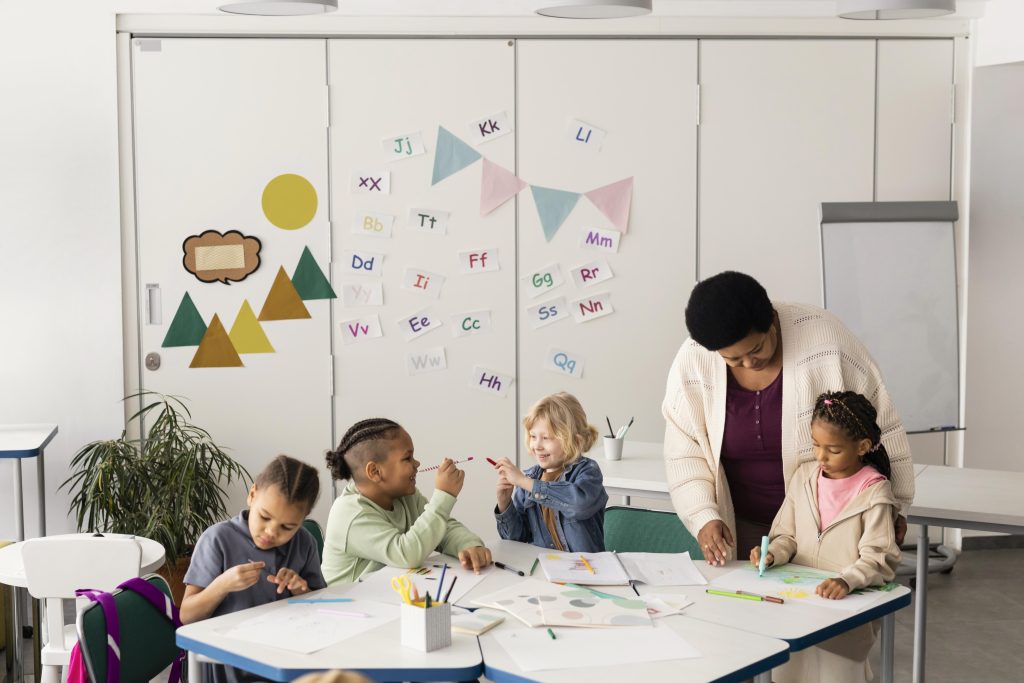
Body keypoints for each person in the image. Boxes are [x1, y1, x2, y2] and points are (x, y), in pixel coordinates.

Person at [663, 270, 913, 565]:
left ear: (771, 320)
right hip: (740, 527)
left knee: (831, 606)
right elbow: (684, 453)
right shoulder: (694, 360)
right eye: (732, 359)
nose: (748, 363)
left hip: (833, 528)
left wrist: (896, 504)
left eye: (755, 349)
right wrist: (703, 515)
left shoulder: (826, 341)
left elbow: (882, 427)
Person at [751, 391, 901, 682]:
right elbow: (786, 535)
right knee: (788, 674)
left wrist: (847, 580)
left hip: (844, 618)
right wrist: (773, 553)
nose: (821, 456)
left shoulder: (874, 493)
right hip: (797, 607)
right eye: (816, 445)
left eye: (832, 450)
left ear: (862, 446)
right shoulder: (804, 478)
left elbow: (880, 557)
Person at [181, 454, 325, 683]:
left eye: (287, 527)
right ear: (252, 495)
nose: (271, 532)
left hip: (286, 660)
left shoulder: (304, 542)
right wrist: (222, 585)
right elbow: (187, 616)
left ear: (303, 520)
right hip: (227, 665)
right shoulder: (217, 539)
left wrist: (301, 591)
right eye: (264, 517)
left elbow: (321, 613)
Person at [321, 418, 492, 585]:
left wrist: (469, 545)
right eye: (407, 458)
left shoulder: (406, 497)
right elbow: (405, 554)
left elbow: (442, 528)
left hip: (387, 599)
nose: (417, 463)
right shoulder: (351, 514)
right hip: (350, 606)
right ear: (375, 471)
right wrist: (444, 495)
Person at [492, 392, 608, 552]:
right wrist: (504, 503)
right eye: (533, 436)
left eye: (546, 438)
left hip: (586, 570)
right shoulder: (530, 478)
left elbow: (579, 506)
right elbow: (516, 539)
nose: (537, 445)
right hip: (546, 568)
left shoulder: (588, 471)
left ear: (575, 440)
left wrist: (524, 482)